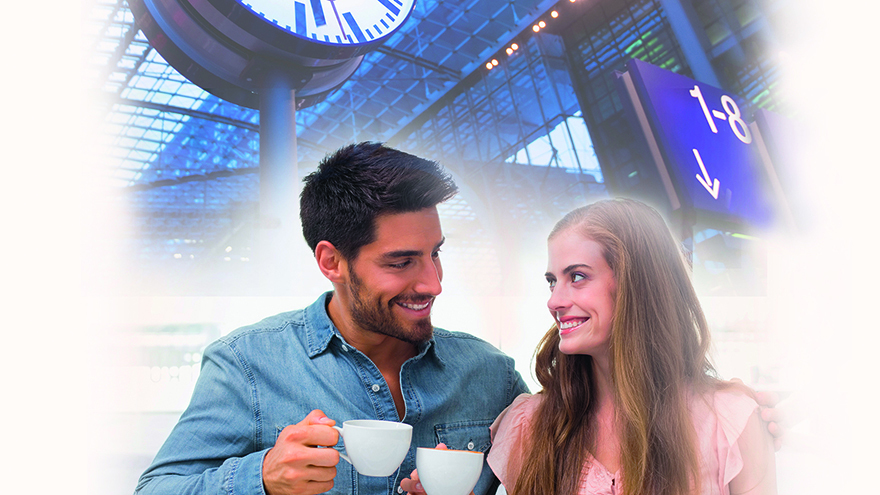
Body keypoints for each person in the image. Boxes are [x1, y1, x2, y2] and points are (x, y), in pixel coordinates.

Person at [134, 142, 530, 495]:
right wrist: (264, 478)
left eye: (435, 254)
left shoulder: (491, 374)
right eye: (401, 262)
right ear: (332, 261)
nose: (433, 284)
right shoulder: (246, 364)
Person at [484, 198, 776, 495]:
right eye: (552, 281)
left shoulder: (730, 423)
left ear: (636, 282)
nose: (554, 301)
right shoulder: (530, 426)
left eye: (577, 277)